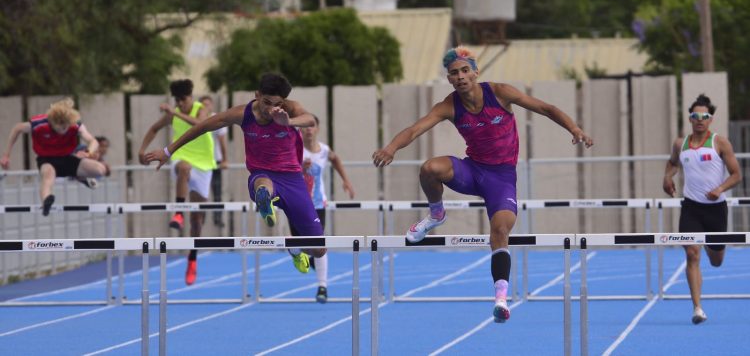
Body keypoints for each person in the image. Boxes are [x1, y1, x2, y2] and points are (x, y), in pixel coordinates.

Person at [372, 46, 593, 323]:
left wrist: (574, 129)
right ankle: (436, 214)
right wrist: (391, 147)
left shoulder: (500, 92)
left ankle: (501, 298)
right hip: (472, 170)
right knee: (430, 168)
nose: (461, 76)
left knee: (500, 230)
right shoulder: (448, 106)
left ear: (476, 73)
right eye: (454, 73)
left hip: (501, 179)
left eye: (465, 71)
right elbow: (416, 129)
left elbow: (545, 108)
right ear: (450, 79)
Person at [144, 73, 326, 276]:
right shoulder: (243, 114)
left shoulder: (289, 108)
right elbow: (203, 126)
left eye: (276, 103)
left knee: (319, 250)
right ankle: (264, 200)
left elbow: (309, 119)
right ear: (257, 95)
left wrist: (288, 121)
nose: (270, 109)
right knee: (263, 184)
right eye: (266, 102)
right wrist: (168, 151)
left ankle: (295, 248)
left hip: (293, 180)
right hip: (262, 174)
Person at [663, 94, 741, 325]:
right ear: (690, 118)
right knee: (691, 253)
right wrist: (667, 177)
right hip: (691, 208)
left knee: (716, 261)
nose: (699, 119)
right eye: (695, 115)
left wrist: (720, 188)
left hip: (715, 209)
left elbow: (737, 175)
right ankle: (697, 308)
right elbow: (672, 162)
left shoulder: (720, 142)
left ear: (710, 119)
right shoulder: (681, 143)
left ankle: (711, 247)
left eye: (704, 116)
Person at [138, 79, 216, 285]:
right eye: (178, 101)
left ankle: (192, 259)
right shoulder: (173, 115)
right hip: (182, 160)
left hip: (204, 166)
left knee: (198, 221)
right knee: (183, 168)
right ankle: (179, 212)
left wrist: (173, 113)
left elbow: (199, 124)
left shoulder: (202, 108)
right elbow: (154, 129)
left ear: (191, 97)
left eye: (184, 99)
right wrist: (141, 149)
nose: (181, 103)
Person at [0, 98, 108, 215]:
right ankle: (47, 201)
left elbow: (93, 141)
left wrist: (88, 152)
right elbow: (17, 128)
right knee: (48, 175)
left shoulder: (74, 124)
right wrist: (6, 155)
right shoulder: (39, 124)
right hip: (47, 160)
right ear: (52, 122)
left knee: (100, 170)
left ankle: (79, 176)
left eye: (66, 127)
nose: (63, 130)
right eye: (60, 127)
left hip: (68, 158)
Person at [298, 114, 356, 303]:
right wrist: (299, 168)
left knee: (319, 244)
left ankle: (322, 287)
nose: (308, 129)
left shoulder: (323, 150)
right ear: (299, 129)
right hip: (296, 204)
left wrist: (346, 181)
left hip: (316, 204)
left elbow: (336, 159)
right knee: (300, 246)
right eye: (305, 126)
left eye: (311, 126)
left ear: (317, 129)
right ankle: (298, 253)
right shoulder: (294, 150)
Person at [199, 96, 229, 228]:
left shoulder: (216, 119)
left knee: (217, 191)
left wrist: (225, 159)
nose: (205, 107)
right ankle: (200, 218)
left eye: (207, 104)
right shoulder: (196, 120)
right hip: (199, 162)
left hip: (214, 160)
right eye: (203, 105)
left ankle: (217, 217)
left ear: (211, 106)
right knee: (200, 192)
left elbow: (222, 140)